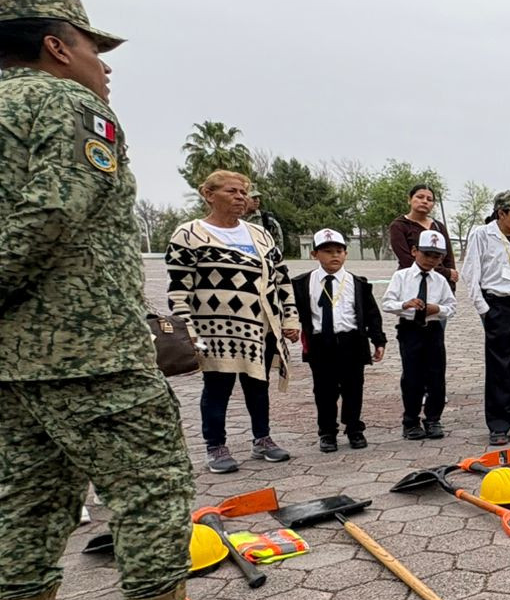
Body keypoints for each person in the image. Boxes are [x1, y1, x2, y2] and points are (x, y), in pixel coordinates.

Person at [0, 0, 269, 600]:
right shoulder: (64, 106)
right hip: (82, 348)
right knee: (149, 486)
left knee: (30, 492)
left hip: (11, 361)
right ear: (57, 45)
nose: (104, 65)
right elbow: (51, 216)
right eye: (93, 46)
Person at [167, 169, 299, 472]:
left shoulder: (260, 235)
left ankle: (262, 439)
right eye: (232, 191)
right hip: (215, 331)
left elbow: (282, 279)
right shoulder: (189, 234)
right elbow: (178, 288)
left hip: (261, 327)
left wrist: (290, 318)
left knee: (258, 385)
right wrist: (186, 330)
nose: (241, 198)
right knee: (217, 388)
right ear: (208, 194)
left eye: (243, 192)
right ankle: (216, 446)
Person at [291, 229, 386, 452]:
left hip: (351, 341)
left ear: (345, 253)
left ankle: (354, 428)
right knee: (324, 391)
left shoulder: (357, 283)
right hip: (320, 343)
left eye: (339, 251)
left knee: (354, 388)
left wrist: (378, 340)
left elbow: (372, 313)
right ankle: (327, 432)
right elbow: (292, 312)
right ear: (314, 254)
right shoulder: (302, 283)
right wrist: (292, 328)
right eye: (327, 251)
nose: (334, 256)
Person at [462, 190, 510, 445]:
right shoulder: (482, 235)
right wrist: (484, 309)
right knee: (499, 367)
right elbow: (471, 272)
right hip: (497, 304)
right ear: (501, 213)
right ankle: (499, 424)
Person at [382, 229, 455, 439]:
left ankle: (433, 419)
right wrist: (405, 304)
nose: (431, 260)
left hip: (433, 330)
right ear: (414, 251)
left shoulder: (440, 280)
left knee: (436, 376)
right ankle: (411, 421)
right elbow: (387, 303)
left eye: (436, 256)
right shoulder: (402, 277)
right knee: (412, 377)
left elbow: (452, 306)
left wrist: (438, 309)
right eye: (426, 254)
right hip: (410, 329)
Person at [388, 183, 458, 285]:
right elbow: (406, 260)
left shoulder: (439, 227)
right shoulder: (399, 226)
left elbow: (448, 259)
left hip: (438, 283)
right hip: (410, 281)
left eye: (429, 199)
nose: (424, 201)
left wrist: (450, 283)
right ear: (409, 200)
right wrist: (445, 273)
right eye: (420, 197)